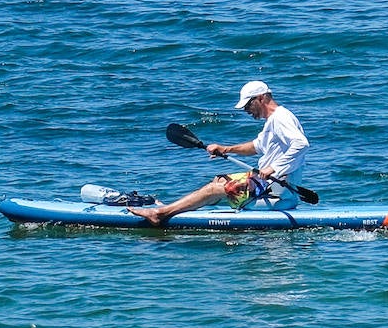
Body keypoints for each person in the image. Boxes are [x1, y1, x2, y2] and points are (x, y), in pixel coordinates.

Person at [129, 80, 309, 226]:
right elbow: (256, 146)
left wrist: (274, 167)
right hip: (267, 187)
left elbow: (301, 144)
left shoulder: (281, 118)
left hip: (276, 195)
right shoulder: (273, 121)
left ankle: (159, 214)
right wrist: (226, 149)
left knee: (212, 189)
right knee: (220, 181)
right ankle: (177, 209)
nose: (246, 111)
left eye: (248, 105)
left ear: (260, 98)